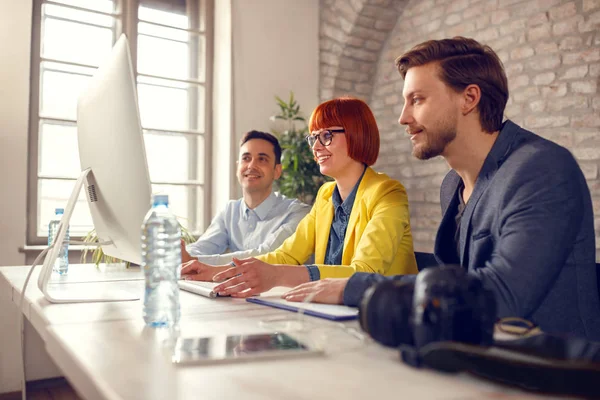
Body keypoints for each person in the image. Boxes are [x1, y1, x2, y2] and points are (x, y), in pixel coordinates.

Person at [283, 37, 600, 340]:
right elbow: (452, 289)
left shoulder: (541, 169)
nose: (403, 117)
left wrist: (355, 288)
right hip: (477, 360)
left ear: (469, 98)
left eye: (417, 100)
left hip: (552, 378)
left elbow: (502, 296)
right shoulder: (453, 185)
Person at [181, 97, 418, 295]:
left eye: (326, 136)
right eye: (313, 138)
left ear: (357, 133)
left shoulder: (387, 193)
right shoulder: (326, 195)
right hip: (336, 314)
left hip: (386, 316)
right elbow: (286, 255)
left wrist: (278, 275)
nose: (316, 147)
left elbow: (366, 272)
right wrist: (216, 271)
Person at [181, 130, 309, 267]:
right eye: (246, 158)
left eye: (262, 159)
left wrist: (194, 261)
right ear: (238, 167)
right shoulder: (229, 212)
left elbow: (265, 255)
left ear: (277, 171)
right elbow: (204, 246)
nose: (252, 166)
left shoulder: (298, 213)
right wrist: (181, 255)